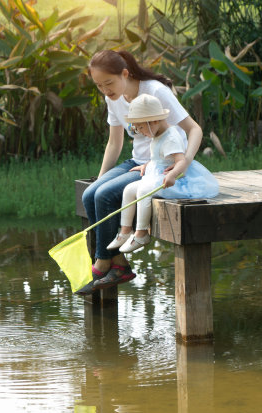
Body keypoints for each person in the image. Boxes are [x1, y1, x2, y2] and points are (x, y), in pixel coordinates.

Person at [78, 50, 204, 295]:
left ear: (125, 74)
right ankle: (119, 264)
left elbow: (194, 129)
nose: (105, 90)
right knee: (90, 194)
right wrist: (102, 177)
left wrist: (183, 164)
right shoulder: (112, 98)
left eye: (109, 83)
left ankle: (103, 260)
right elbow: (114, 143)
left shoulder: (155, 92)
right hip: (136, 161)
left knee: (104, 196)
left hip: (159, 165)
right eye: (99, 85)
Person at [103, 94, 218, 260]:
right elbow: (159, 158)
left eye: (140, 127)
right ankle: (125, 231)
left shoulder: (170, 137)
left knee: (142, 190)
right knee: (129, 190)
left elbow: (181, 161)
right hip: (156, 173)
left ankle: (141, 233)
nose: (139, 132)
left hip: (174, 179)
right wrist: (146, 165)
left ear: (154, 122)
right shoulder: (156, 134)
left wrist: (172, 175)